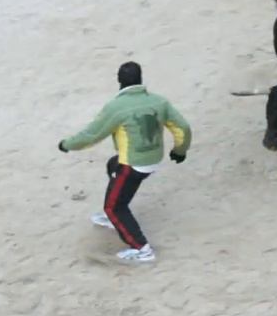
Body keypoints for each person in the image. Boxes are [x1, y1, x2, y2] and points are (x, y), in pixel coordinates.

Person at [58, 61, 192, 262]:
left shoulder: (116, 107)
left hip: (134, 164)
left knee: (114, 207)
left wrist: (67, 144)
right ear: (140, 79)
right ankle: (116, 220)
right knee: (113, 166)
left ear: (119, 80)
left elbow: (92, 135)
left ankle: (142, 249)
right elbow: (182, 128)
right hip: (153, 157)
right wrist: (180, 151)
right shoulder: (159, 102)